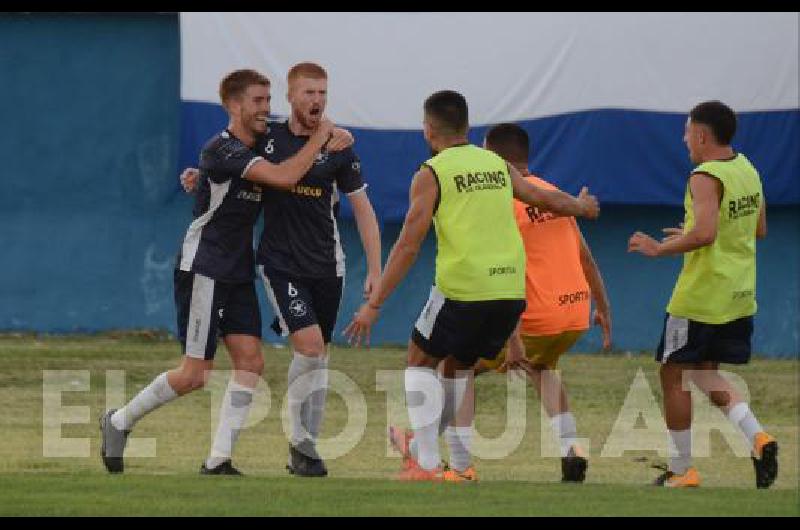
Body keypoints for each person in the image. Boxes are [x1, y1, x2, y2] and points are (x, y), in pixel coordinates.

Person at [344, 90, 599, 482]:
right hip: (511, 295)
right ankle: (460, 466)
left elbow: (409, 243)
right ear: (466, 126)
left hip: (464, 289)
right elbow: (543, 198)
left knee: (417, 360)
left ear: (429, 131)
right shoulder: (497, 165)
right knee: (459, 368)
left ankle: (426, 463)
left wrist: (375, 303)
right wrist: (582, 207)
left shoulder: (431, 172)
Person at [99, 69, 335, 476]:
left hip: (238, 270)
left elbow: (298, 138)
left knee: (251, 363)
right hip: (204, 267)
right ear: (233, 106)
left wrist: (333, 136)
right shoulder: (221, 150)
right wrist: (321, 138)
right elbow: (282, 175)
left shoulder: (260, 142)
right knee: (195, 375)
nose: (266, 108)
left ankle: (218, 461)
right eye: (257, 102)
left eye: (267, 100)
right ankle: (119, 421)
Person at [182, 62, 380, 477]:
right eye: (308, 92)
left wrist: (375, 269)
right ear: (290, 98)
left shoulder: (340, 146)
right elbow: (237, 170)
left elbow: (362, 209)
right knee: (307, 346)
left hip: (328, 264)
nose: (317, 100)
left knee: (318, 356)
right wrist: (201, 178)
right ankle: (303, 447)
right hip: (279, 263)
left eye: (323, 93)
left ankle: (301, 448)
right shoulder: (267, 137)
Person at [628, 100, 777, 488]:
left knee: (673, 374)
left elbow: (708, 234)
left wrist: (660, 248)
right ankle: (759, 438)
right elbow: (756, 229)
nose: (684, 141)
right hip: (738, 293)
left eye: (686, 133)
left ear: (701, 135)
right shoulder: (748, 169)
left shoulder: (704, 175)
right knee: (703, 373)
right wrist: (691, 232)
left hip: (701, 296)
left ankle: (682, 470)